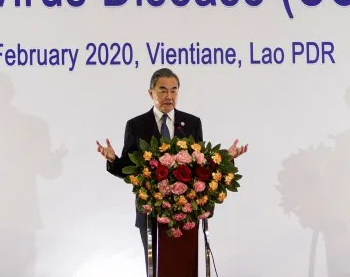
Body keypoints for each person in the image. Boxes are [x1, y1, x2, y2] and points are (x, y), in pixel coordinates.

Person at [96, 68, 247, 272]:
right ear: (151, 93)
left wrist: (224, 159)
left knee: (184, 267)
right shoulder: (136, 125)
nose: (169, 96)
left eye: (174, 90)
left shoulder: (192, 123)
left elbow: (200, 165)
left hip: (186, 213)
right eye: (163, 90)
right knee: (157, 268)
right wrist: (114, 159)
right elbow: (128, 170)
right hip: (150, 211)